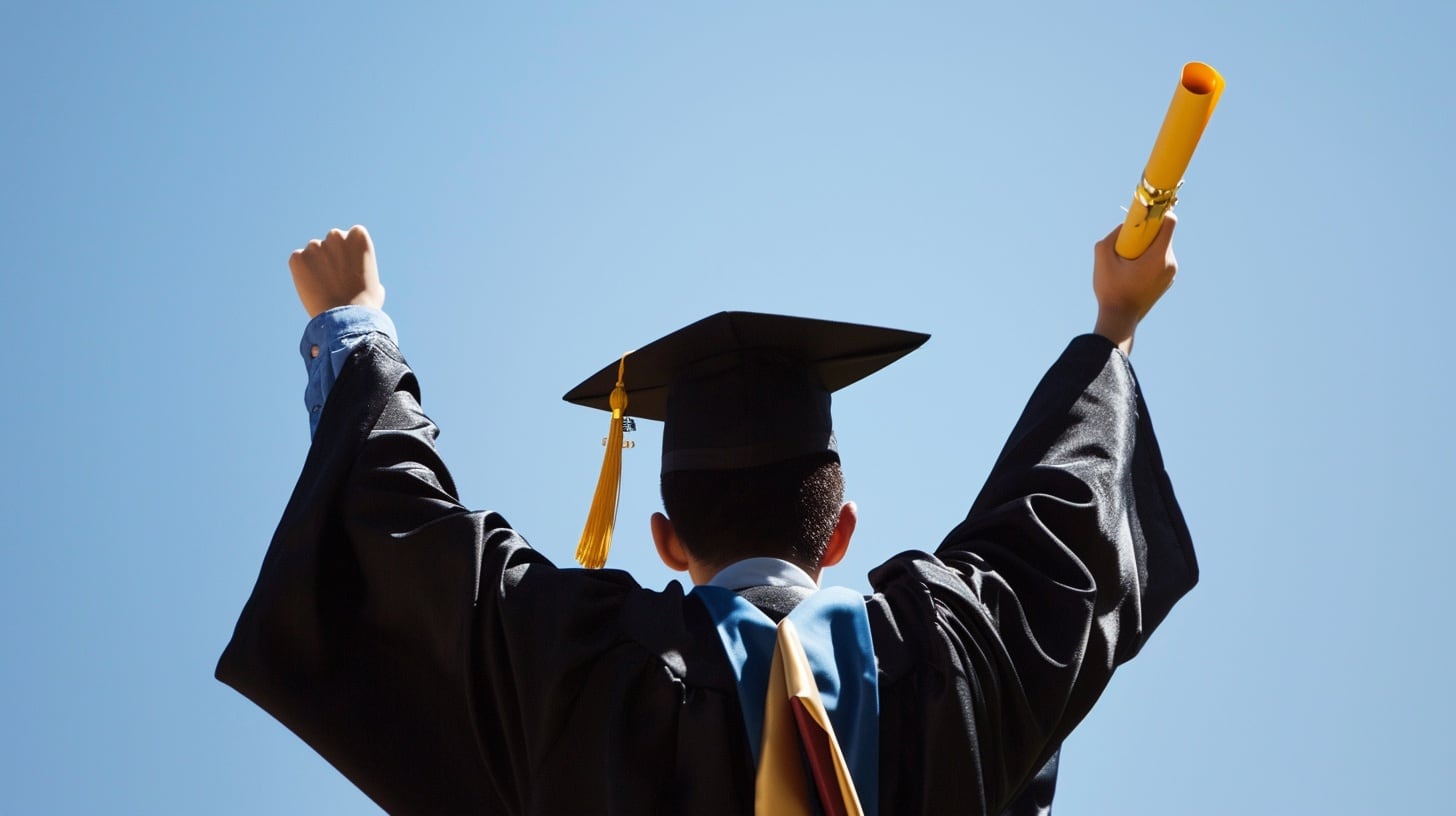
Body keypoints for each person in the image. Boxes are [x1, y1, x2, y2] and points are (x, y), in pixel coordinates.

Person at [218, 219, 1196, 815]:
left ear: (666, 540)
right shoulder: (947, 655)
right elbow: (1063, 515)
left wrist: (355, 327)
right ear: (840, 530)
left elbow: (402, 538)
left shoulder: (581, 667)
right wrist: (1113, 324)